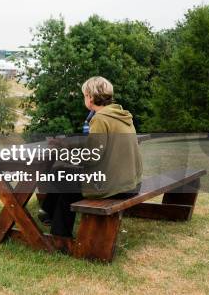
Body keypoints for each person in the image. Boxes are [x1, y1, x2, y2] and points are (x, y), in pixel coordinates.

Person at [40, 76, 143, 237]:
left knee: (59, 175)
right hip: (132, 184)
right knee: (67, 179)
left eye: (84, 95)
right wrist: (68, 145)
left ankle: (58, 235)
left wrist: (63, 154)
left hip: (114, 187)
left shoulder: (100, 119)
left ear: (90, 96)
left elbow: (92, 157)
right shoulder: (121, 115)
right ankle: (49, 216)